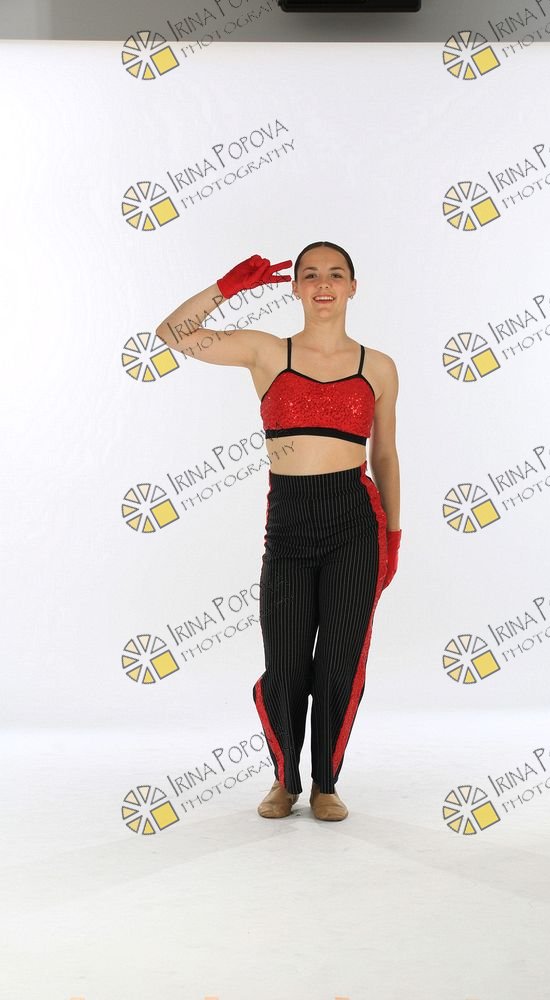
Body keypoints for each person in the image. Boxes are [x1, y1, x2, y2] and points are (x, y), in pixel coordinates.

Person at [156, 242, 401, 822]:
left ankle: (326, 785)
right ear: (295, 288)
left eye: (335, 274)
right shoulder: (268, 352)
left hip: (355, 521)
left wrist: (393, 534)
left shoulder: (378, 366)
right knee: (285, 662)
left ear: (353, 286)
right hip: (289, 521)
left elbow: (385, 455)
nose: (323, 284)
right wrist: (227, 287)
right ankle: (284, 779)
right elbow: (173, 335)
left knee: (340, 662)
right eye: (310, 275)